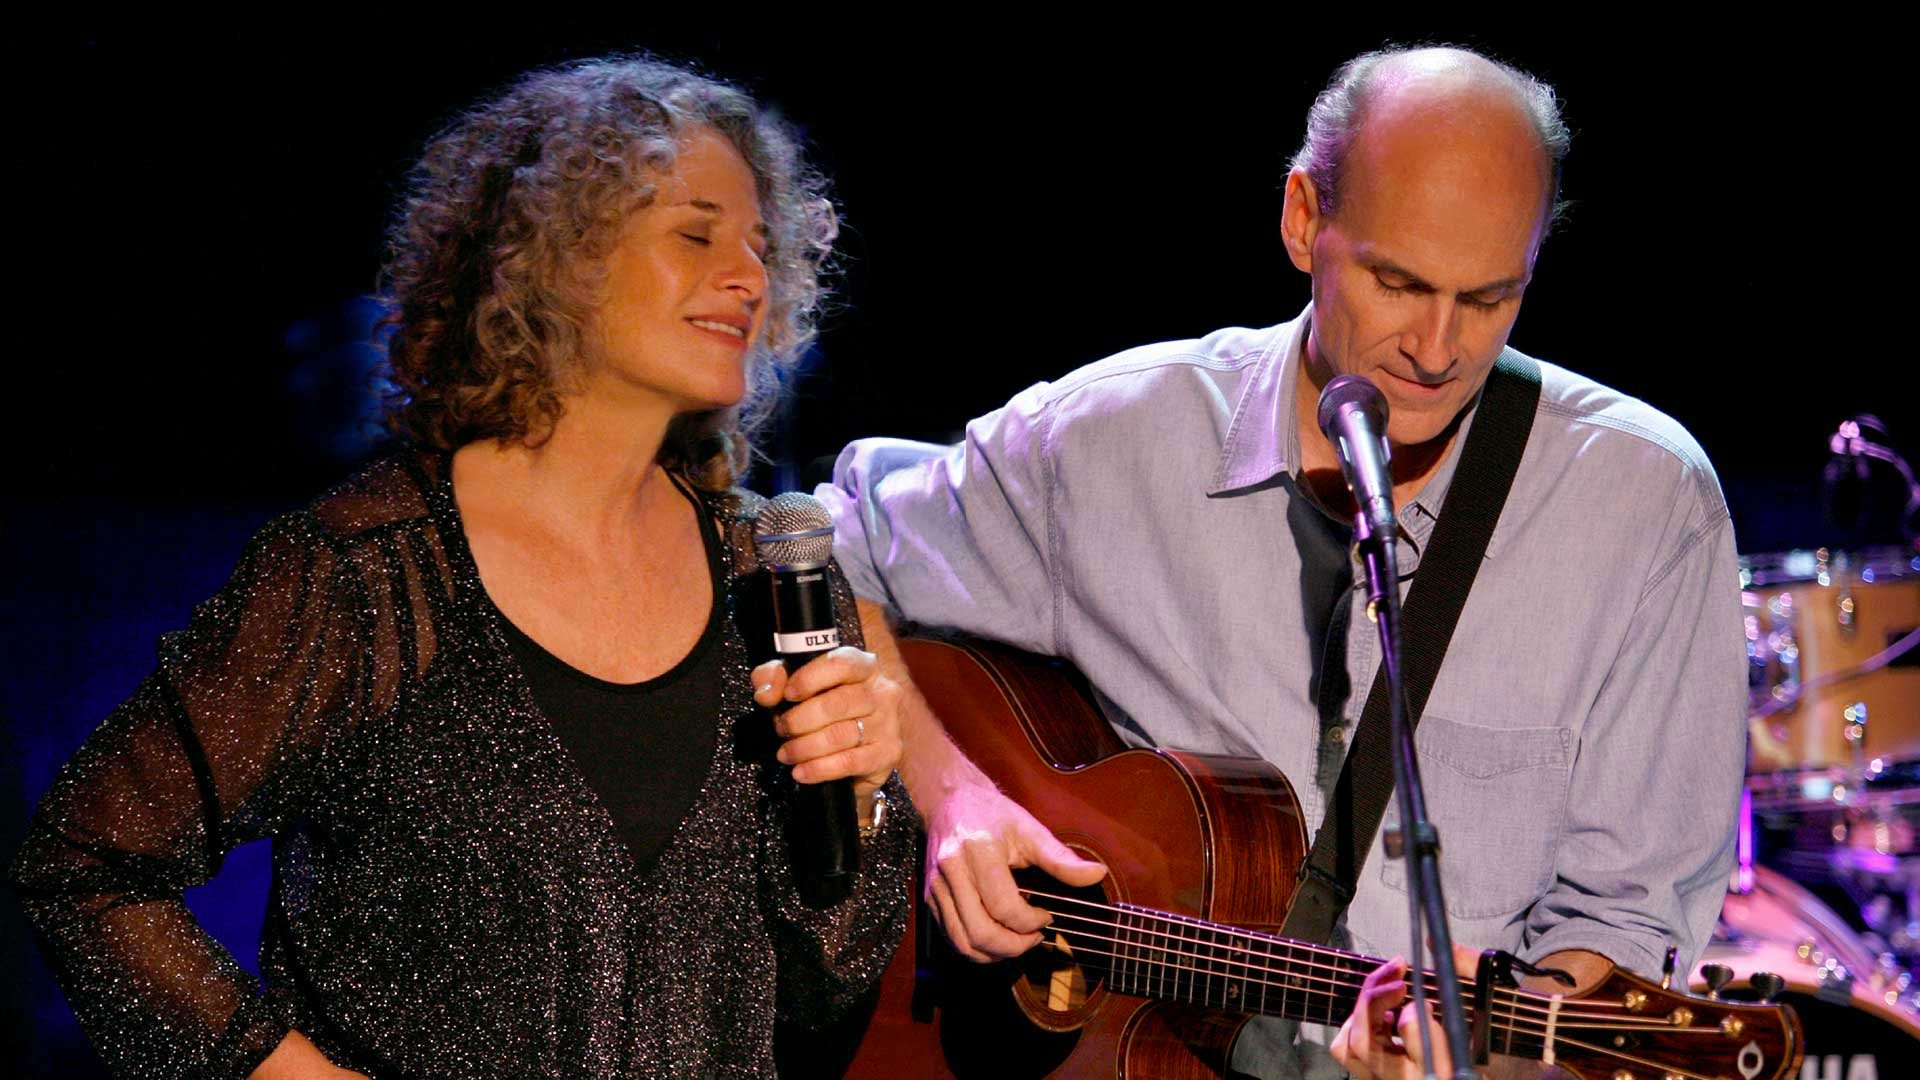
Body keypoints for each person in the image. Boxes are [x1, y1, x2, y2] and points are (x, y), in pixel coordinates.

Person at [821, 46, 1747, 1078]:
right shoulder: (1112, 442)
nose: (1438, 349)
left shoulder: (1646, 505)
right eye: (1397, 283)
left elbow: (1625, 920)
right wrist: (957, 800)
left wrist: (1495, 1050)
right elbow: (809, 554)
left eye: (1489, 299)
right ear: (1304, 219)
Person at [10, 57, 914, 1079]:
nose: (748, 276)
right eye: (696, 233)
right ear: (558, 254)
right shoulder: (366, 573)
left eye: (760, 245)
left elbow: (823, 988)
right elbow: (86, 867)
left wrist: (867, 793)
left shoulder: (771, 574)